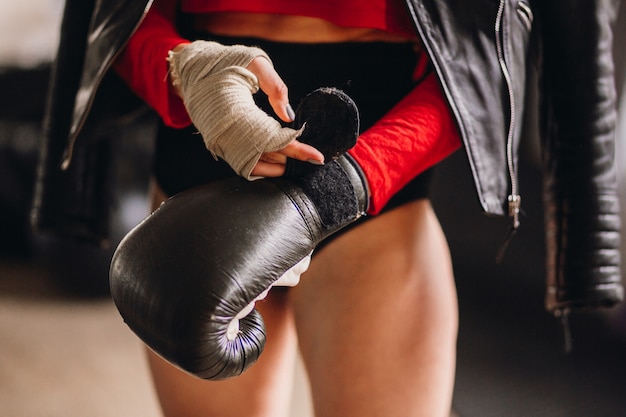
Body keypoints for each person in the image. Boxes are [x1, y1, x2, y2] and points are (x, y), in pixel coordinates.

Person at [31, 1, 623, 417]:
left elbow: (487, 58)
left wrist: (337, 191)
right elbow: (111, 13)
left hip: (372, 187)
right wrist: (182, 70)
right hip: (204, 158)